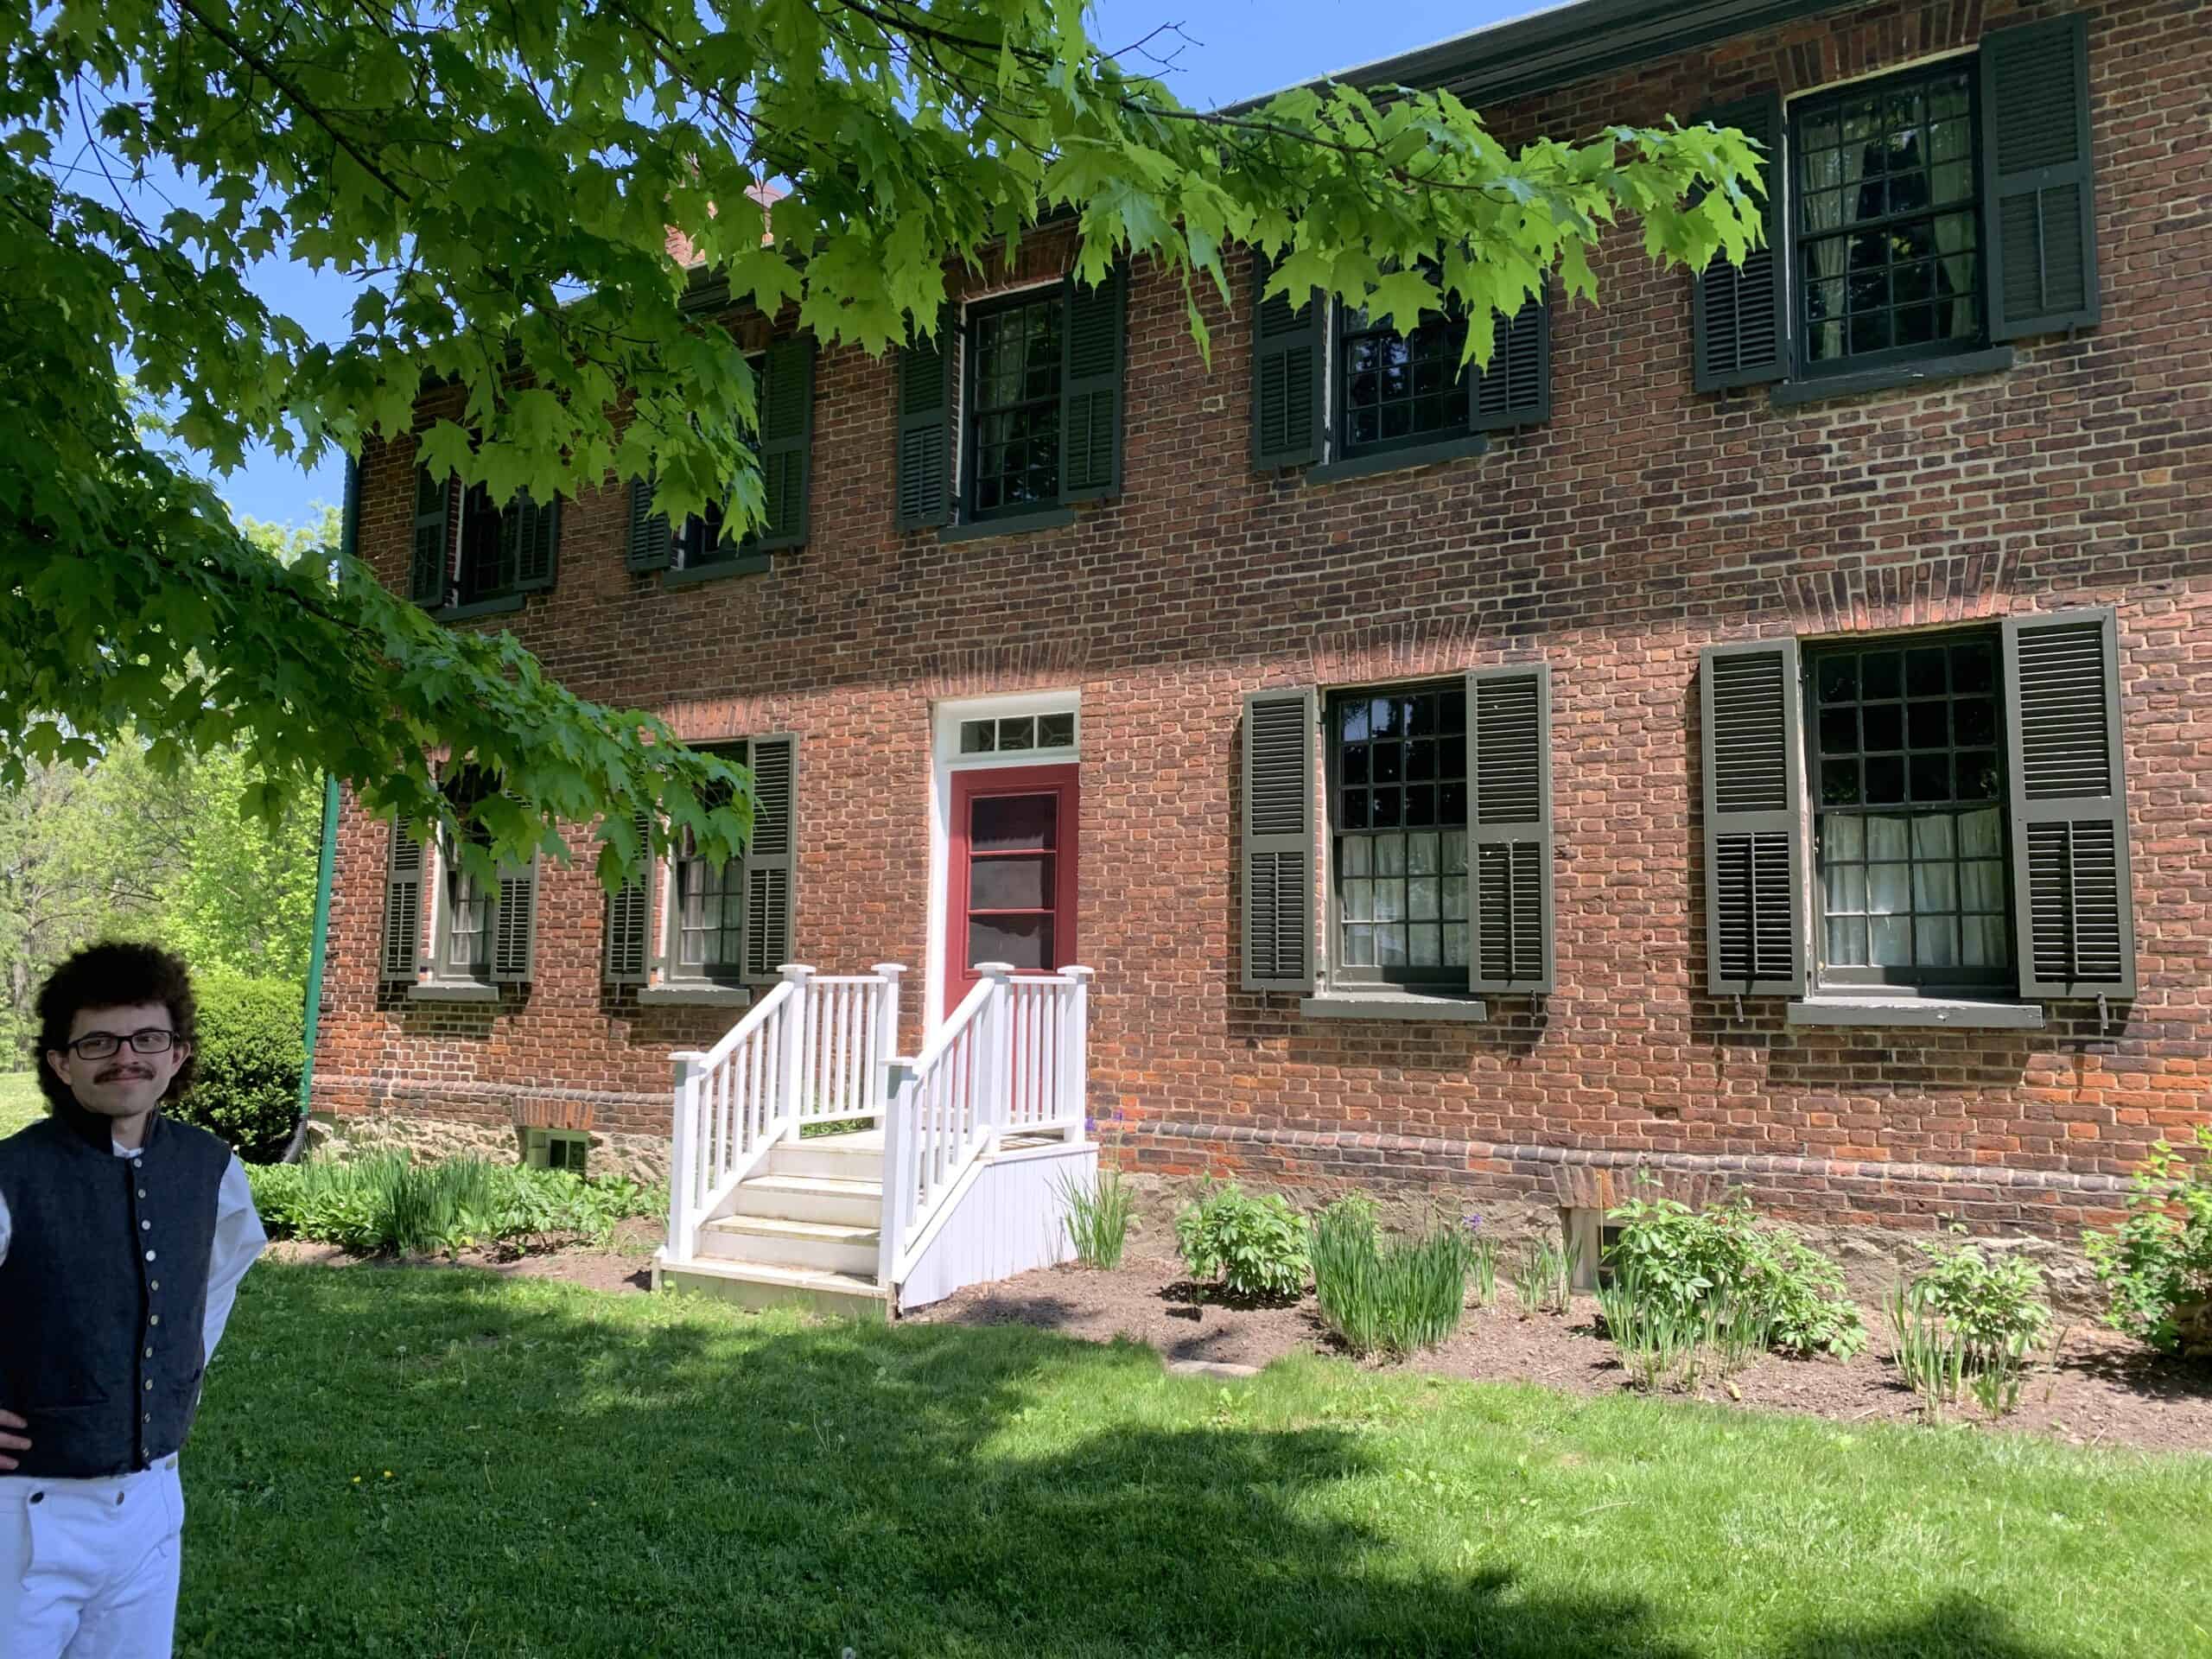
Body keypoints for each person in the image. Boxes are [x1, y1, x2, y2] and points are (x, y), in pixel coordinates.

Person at [0, 942, 266, 1658]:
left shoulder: (212, 1170)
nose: (127, 1058)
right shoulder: (11, 1175)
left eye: (148, 1038)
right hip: (21, 1512)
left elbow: (215, 1285)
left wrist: (177, 1378)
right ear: (61, 1062)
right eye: (98, 1041)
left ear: (177, 1053)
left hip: (151, 1503)